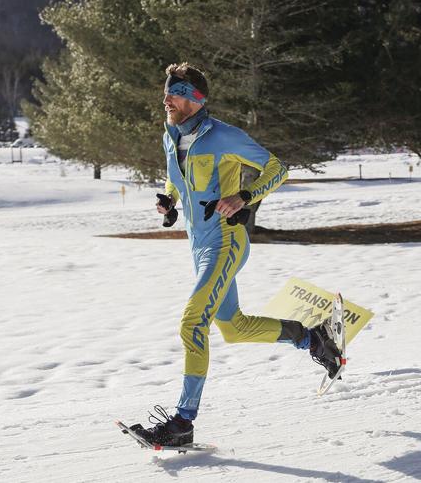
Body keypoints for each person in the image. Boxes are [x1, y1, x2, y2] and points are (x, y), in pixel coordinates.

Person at [128, 63, 342, 447]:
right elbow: (175, 177)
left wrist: (244, 196)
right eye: (167, 91)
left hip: (225, 243)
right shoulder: (171, 134)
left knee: (193, 322)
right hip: (197, 244)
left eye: (174, 91)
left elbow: (277, 169)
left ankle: (183, 422)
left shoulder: (224, 136)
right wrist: (170, 199)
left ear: (196, 98)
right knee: (233, 327)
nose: (166, 98)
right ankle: (312, 338)